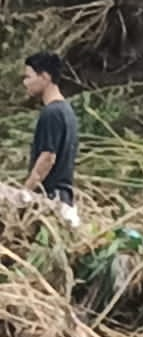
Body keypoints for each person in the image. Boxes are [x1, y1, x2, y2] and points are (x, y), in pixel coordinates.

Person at [20, 51, 80, 224]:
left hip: (51, 201)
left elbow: (48, 157)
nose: (25, 83)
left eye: (28, 77)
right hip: (65, 201)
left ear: (44, 77)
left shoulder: (51, 113)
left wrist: (26, 193)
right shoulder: (67, 111)